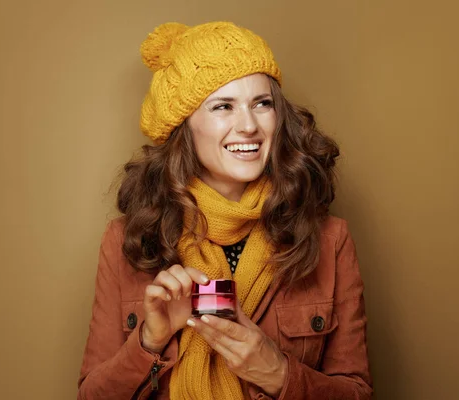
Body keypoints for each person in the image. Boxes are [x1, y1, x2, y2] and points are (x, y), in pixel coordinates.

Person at [77, 21, 372, 400]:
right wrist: (150, 340)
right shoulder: (127, 239)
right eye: (223, 106)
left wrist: (279, 374)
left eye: (262, 104)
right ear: (183, 126)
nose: (248, 125)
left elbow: (358, 394)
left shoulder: (330, 240)